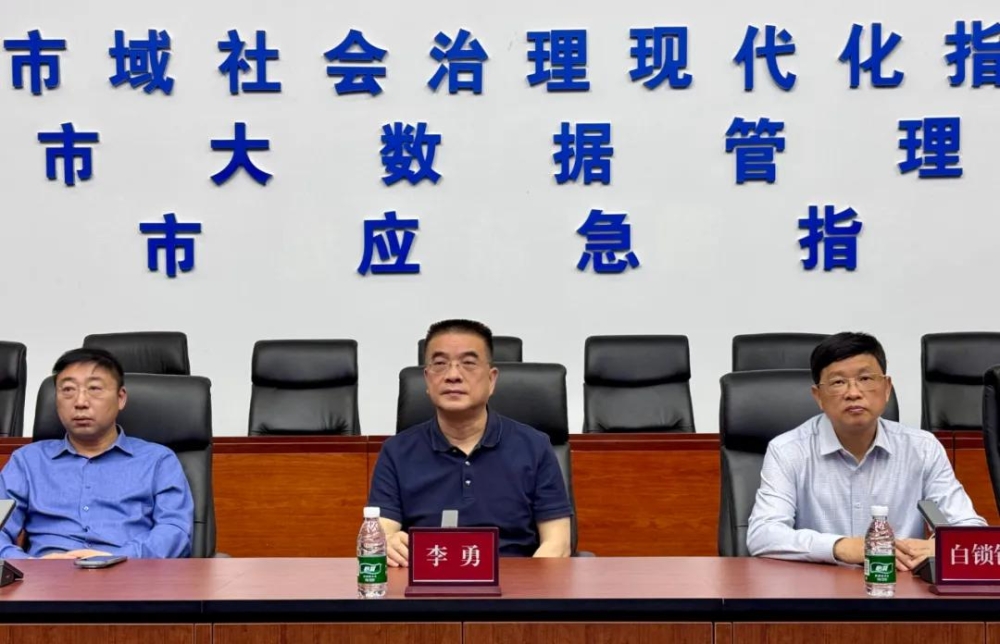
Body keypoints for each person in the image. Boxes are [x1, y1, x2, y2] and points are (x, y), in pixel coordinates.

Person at [747, 332, 986, 569]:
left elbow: (973, 531)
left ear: (886, 388)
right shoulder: (788, 450)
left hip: (898, 585)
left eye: (865, 378)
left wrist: (943, 546)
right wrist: (842, 547)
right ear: (818, 396)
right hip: (819, 587)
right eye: (838, 382)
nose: (853, 393)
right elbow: (763, 534)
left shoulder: (922, 448)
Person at [369, 319, 572, 566]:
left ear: (492, 379)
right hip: (427, 582)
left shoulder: (535, 447)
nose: (453, 375)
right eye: (440, 364)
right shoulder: (396, 451)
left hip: (514, 583)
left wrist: (526, 586)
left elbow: (558, 543)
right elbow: (381, 533)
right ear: (427, 379)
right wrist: (388, 544)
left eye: (468, 363)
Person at [0, 348, 194, 559]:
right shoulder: (27, 462)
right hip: (45, 576)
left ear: (121, 398)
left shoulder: (158, 461)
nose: (80, 402)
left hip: (130, 574)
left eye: (94, 388)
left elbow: (175, 531)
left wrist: (118, 558)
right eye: (68, 390)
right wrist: (29, 565)